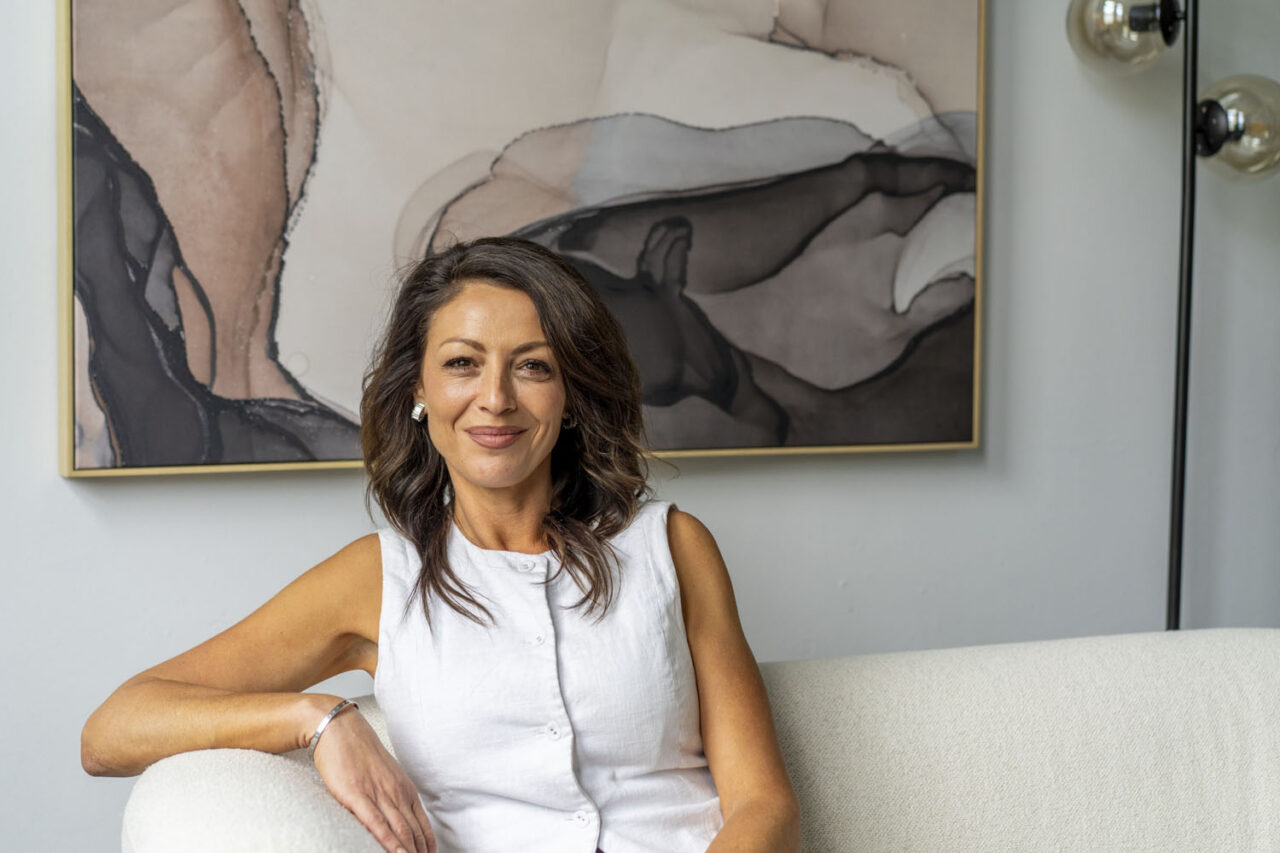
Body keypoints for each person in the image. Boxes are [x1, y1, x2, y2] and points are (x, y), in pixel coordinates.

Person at [81, 237, 801, 853]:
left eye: (534, 365)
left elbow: (763, 804)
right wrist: (314, 717)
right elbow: (114, 728)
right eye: (462, 363)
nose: (496, 399)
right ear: (419, 390)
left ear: (573, 394)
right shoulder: (378, 577)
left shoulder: (671, 547)